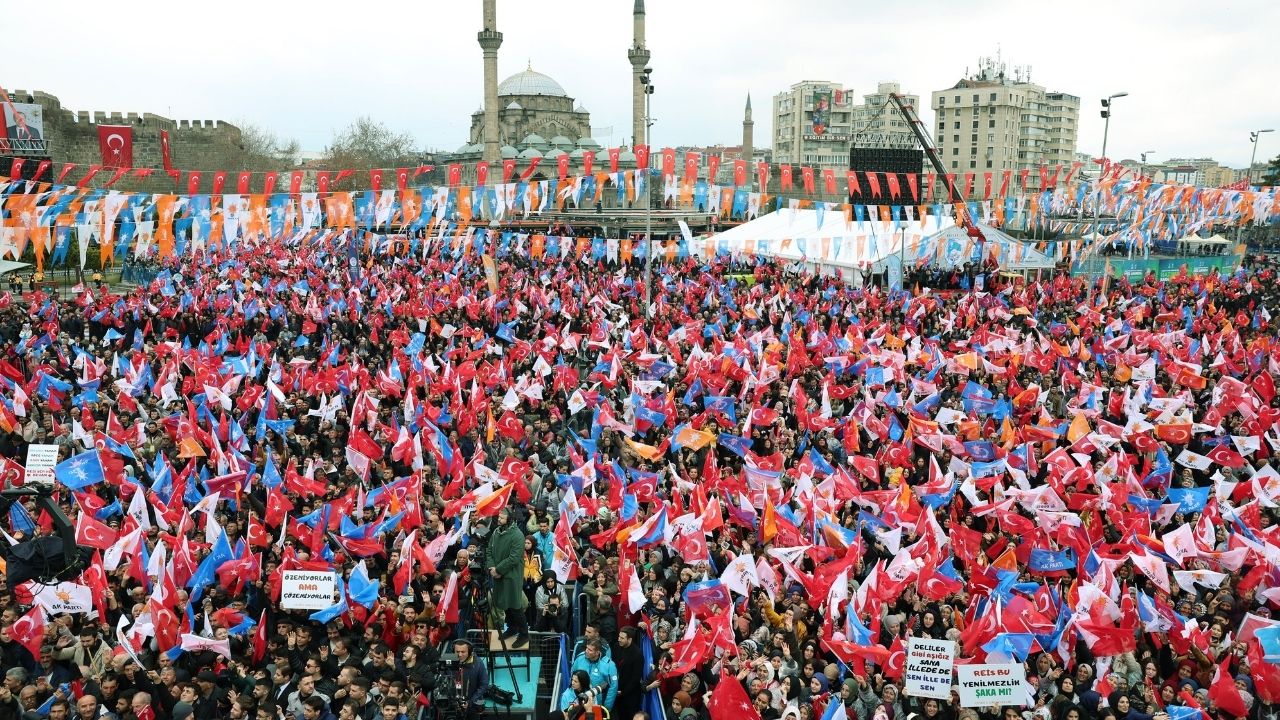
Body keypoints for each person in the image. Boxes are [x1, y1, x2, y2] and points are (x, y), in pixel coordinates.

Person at [484, 507, 529, 647]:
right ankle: (512, 628)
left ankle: (524, 634)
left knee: (515, 606)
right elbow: (489, 550)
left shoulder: (518, 535)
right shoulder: (496, 532)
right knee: (504, 604)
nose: (499, 519)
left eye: (502, 518)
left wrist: (498, 569)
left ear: (509, 519)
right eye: (499, 517)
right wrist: (492, 567)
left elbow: (514, 558)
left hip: (511, 577)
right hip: (498, 575)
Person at [570, 639, 618, 713]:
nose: (586, 651)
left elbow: (613, 687)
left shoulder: (609, 665)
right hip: (578, 702)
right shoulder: (579, 659)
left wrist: (606, 708)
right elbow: (572, 677)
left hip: (597, 705)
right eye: (587, 648)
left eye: (590, 650)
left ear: (597, 652)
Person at [453, 640, 488, 720]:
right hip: (453, 706)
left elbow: (484, 684)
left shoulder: (478, 663)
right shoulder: (448, 663)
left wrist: (471, 701)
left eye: (463, 652)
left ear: (469, 651)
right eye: (457, 652)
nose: (460, 655)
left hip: (473, 705)